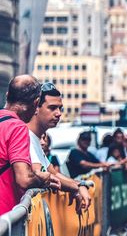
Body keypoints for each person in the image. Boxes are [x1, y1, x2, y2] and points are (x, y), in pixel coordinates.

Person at [0, 76, 61, 215]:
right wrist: (43, 178)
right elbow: (24, 179)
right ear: (36, 103)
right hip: (5, 218)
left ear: (7, 95)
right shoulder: (17, 127)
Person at [26, 83, 90, 212]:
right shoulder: (25, 137)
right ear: (36, 107)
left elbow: (53, 173)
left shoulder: (35, 140)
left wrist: (79, 185)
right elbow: (40, 175)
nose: (59, 113)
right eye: (52, 108)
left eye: (60, 108)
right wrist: (76, 187)